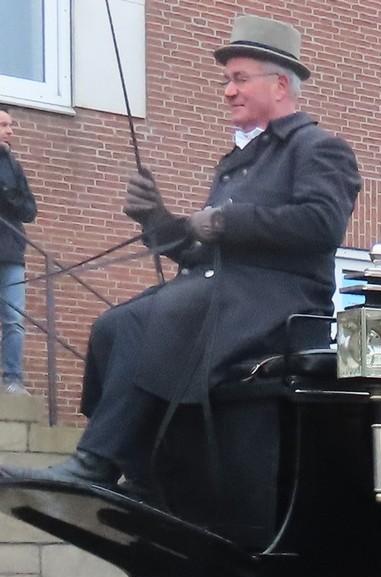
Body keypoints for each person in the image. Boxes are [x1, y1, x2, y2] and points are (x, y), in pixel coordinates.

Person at [1, 14, 361, 493]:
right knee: (111, 326)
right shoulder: (237, 162)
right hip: (223, 293)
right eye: (226, 81)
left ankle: (96, 464)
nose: (228, 91)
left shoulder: (319, 148)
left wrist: (224, 221)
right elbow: (198, 253)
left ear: (279, 85)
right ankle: (140, 465)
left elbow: (322, 224)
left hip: (279, 300)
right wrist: (157, 219)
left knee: (146, 320)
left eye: (239, 79)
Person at [0, 108, 37, 395]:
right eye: (3, 125)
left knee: (14, 318)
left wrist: (8, 195)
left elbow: (29, 210)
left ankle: (13, 379)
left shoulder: (14, 165)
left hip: (11, 252)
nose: (10, 130)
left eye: (10, 125)